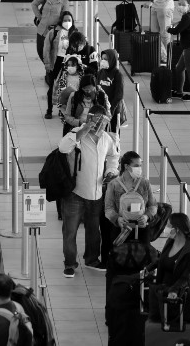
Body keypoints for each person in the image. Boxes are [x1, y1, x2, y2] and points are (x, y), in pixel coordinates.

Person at [58, 104, 119, 277]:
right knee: (70, 230)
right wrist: (84, 129)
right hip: (74, 193)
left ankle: (92, 259)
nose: (100, 124)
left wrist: (110, 172)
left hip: (96, 193)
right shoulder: (77, 133)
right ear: (89, 118)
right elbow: (63, 148)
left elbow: (113, 156)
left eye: (103, 120)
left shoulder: (106, 138)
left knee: (94, 229)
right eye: (96, 119)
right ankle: (70, 263)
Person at [105, 151, 157, 244]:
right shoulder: (114, 184)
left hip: (141, 227)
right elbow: (108, 208)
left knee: (142, 254)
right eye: (136, 166)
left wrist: (146, 217)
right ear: (126, 166)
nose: (139, 169)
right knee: (120, 255)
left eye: (140, 165)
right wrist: (117, 219)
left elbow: (153, 205)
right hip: (121, 228)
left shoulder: (144, 183)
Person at [148, 213, 190, 299]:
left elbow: (187, 277)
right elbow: (162, 259)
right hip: (160, 289)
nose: (165, 228)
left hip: (175, 296)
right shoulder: (170, 241)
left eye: (168, 225)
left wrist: (174, 290)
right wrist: (148, 269)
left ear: (176, 229)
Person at [43, 11, 76, 119]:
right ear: (61, 21)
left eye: (69, 20)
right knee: (53, 86)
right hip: (56, 61)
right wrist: (47, 63)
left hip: (69, 62)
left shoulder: (74, 33)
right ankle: (49, 110)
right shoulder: (54, 32)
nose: (67, 22)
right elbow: (47, 48)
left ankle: (63, 110)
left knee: (66, 86)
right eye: (65, 20)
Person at [31, 0, 69, 64]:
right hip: (41, 30)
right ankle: (48, 68)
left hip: (53, 32)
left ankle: (50, 72)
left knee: (51, 53)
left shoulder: (64, 2)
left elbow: (64, 17)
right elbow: (34, 4)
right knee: (40, 51)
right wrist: (39, 17)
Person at [168, 0, 190, 101]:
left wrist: (168, 29)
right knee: (179, 68)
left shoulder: (187, 18)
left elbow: (176, 31)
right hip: (187, 47)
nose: (180, 6)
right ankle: (179, 91)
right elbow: (185, 22)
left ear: (188, 6)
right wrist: (177, 22)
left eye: (183, 4)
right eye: (179, 4)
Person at [97, 48, 125, 133]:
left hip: (114, 110)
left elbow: (119, 95)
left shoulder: (117, 75)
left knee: (113, 136)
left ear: (112, 60)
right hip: (101, 110)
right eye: (102, 59)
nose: (103, 61)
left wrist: (111, 110)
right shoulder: (100, 72)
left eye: (106, 59)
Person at [51, 54, 84, 123]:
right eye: (68, 65)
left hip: (78, 102)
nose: (70, 67)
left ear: (78, 66)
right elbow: (60, 92)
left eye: (73, 65)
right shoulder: (64, 76)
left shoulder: (82, 76)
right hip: (66, 103)